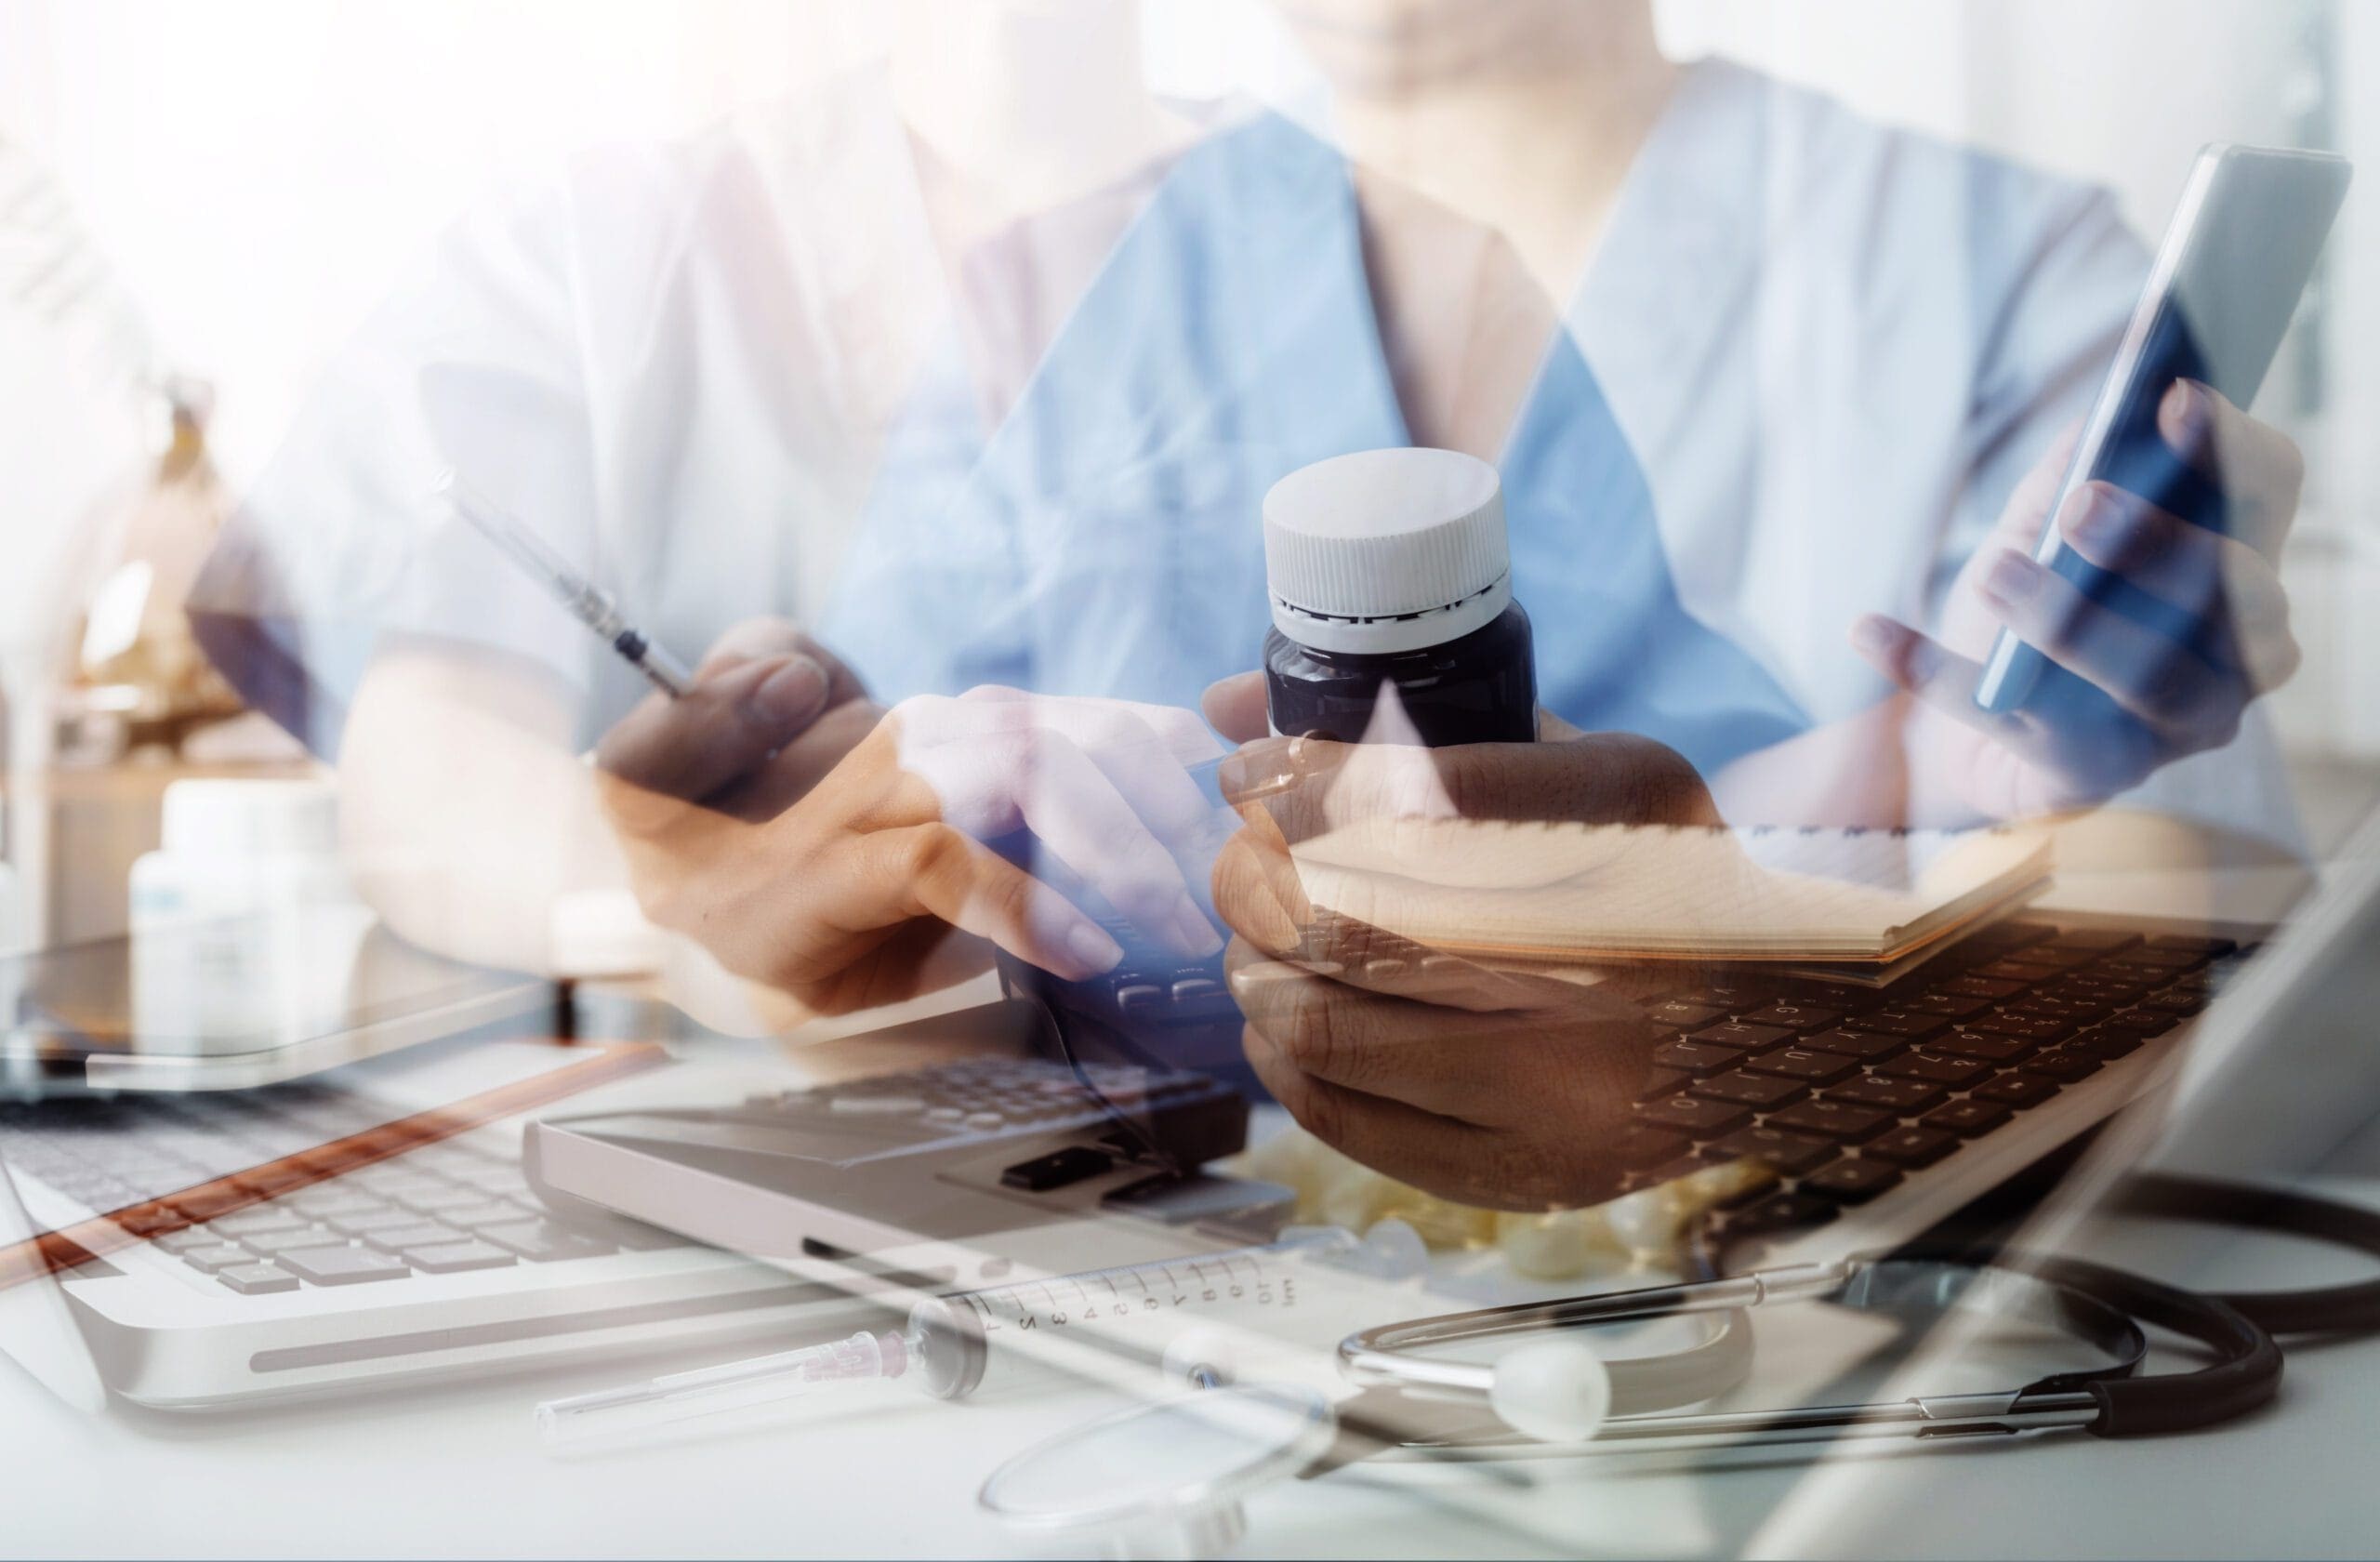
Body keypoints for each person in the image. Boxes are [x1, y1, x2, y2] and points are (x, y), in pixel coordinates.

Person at [192, 0, 2308, 1208]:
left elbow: (2212, 995)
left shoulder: (1997, 278)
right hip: (1167, 1349)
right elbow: (946, 915)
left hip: (1800, 1366)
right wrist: (781, 909)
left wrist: (1790, 1003)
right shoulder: (1119, 271)